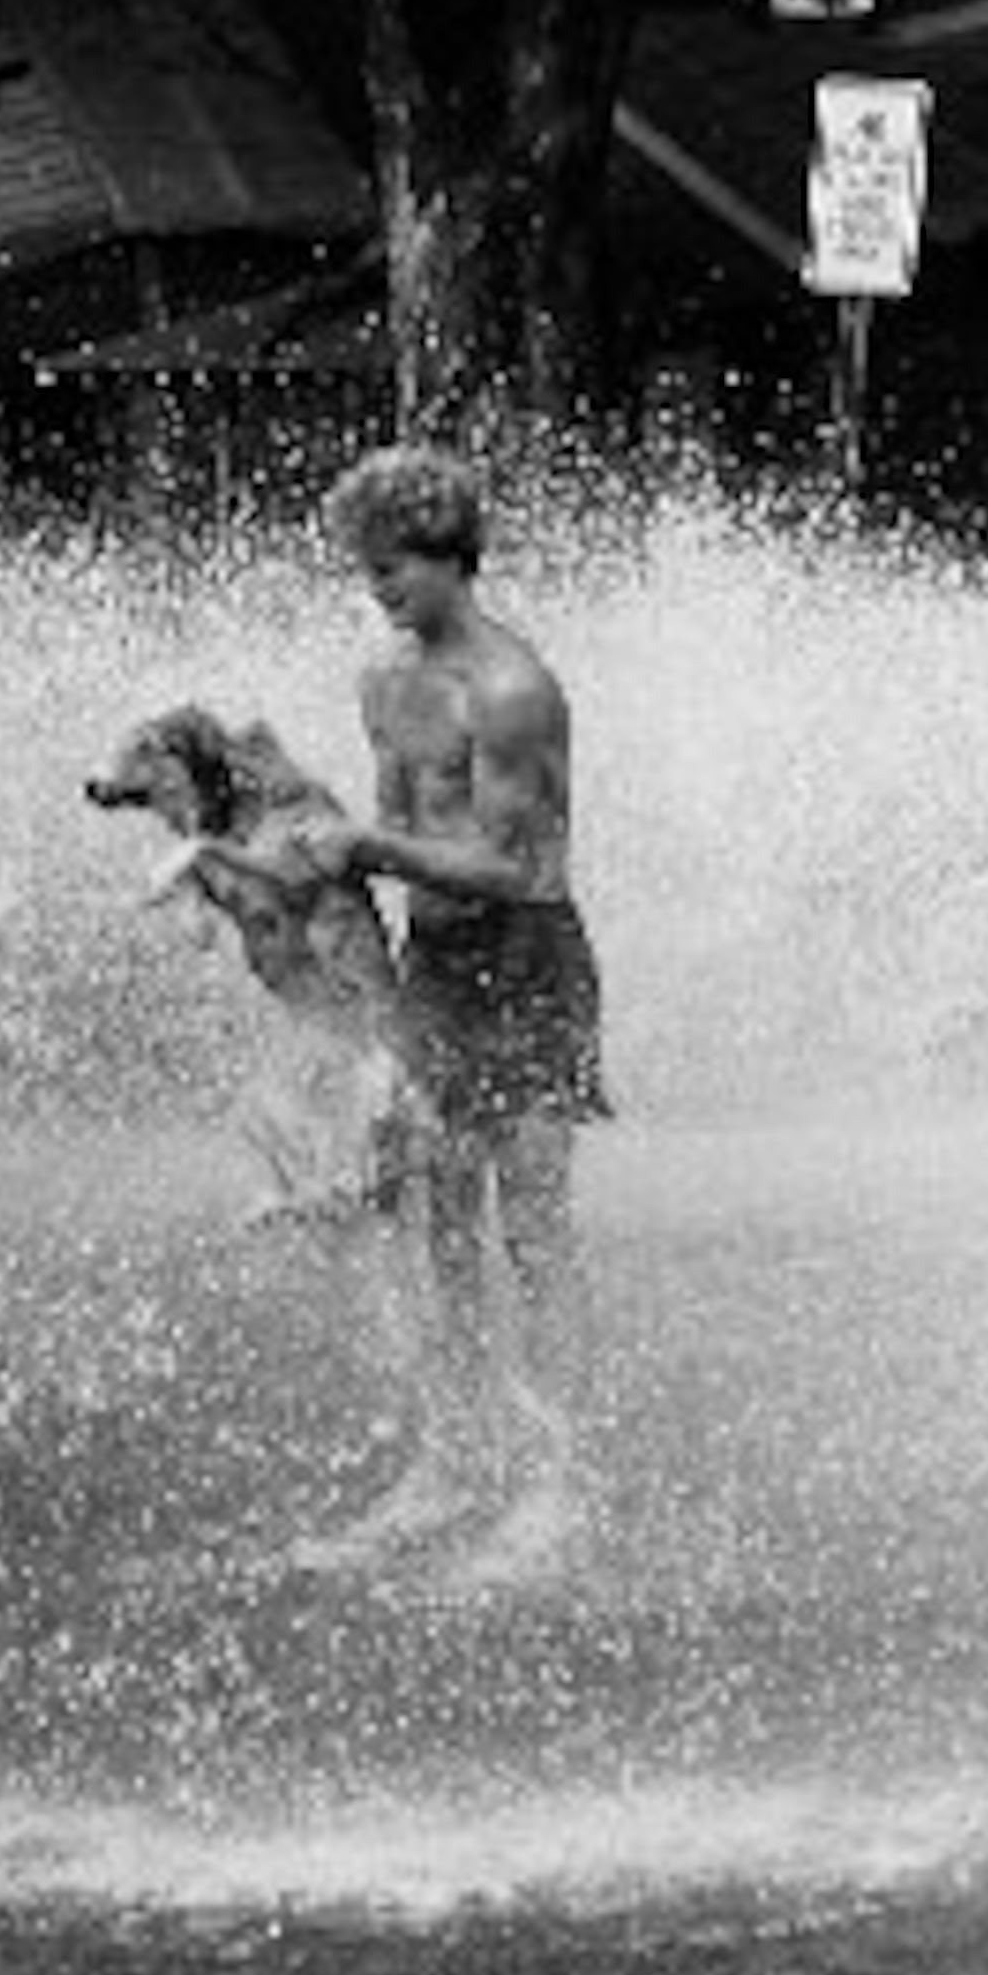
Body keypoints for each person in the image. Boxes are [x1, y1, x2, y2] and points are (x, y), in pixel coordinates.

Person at [295, 444, 610, 1591]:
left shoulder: (512, 691)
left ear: (450, 557)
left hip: (528, 960)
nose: (377, 589)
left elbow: (518, 867)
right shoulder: (384, 680)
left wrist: (371, 847)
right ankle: (451, 1461)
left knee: (531, 1229)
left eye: (394, 569)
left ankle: (557, 1486)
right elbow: (385, 841)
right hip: (434, 966)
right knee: (437, 1220)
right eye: (365, 569)